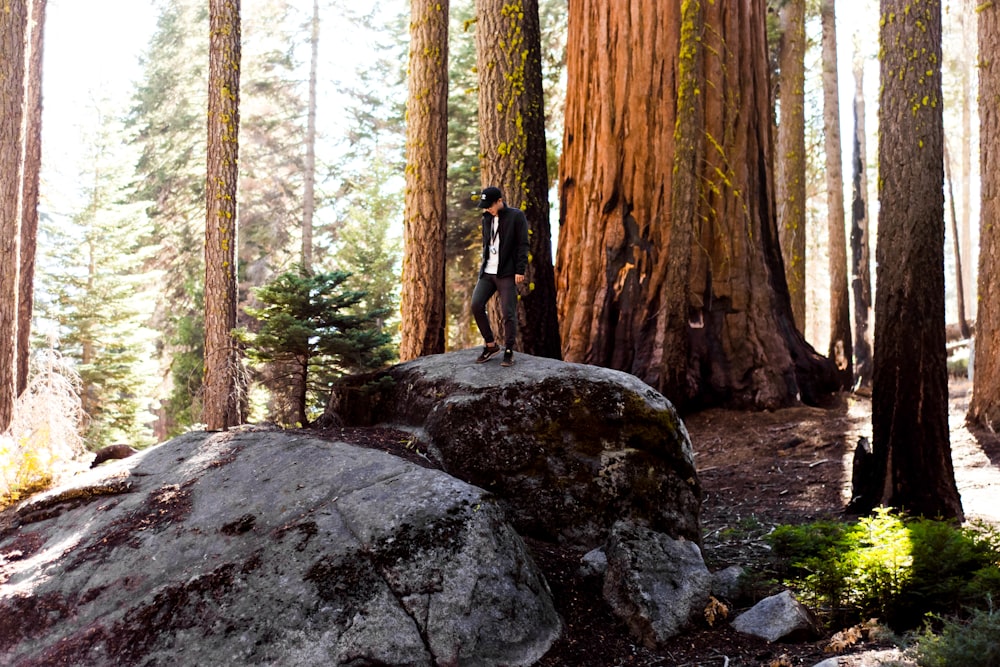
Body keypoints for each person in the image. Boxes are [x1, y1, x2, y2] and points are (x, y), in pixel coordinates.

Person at [471, 186, 529, 367]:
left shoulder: (516, 216)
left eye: (490, 205)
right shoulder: (486, 218)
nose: (487, 208)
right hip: (488, 272)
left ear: (499, 201)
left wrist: (520, 270)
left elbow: (523, 244)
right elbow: (486, 244)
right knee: (476, 305)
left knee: (508, 313)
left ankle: (509, 350)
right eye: (485, 205)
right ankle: (490, 345)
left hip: (506, 273)